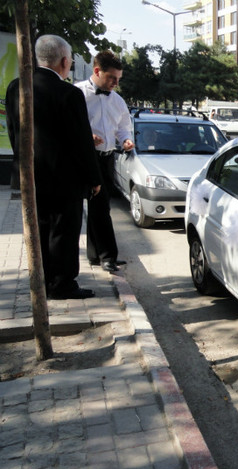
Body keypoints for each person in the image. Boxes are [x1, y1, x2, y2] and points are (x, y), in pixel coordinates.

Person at [5, 35, 102, 299]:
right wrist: (94, 177)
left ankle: (41, 280)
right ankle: (62, 284)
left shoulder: (16, 87)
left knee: (38, 229)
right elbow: (81, 141)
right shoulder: (69, 93)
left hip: (29, 175)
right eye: (69, 60)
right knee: (63, 232)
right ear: (63, 61)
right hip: (64, 179)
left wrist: (21, 165)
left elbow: (14, 132)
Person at [76, 50, 133, 273]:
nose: (116, 84)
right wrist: (86, 137)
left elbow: (123, 126)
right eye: (112, 78)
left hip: (107, 158)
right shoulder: (77, 94)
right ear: (97, 71)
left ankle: (98, 255)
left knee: (101, 206)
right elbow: (69, 125)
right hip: (84, 158)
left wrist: (126, 140)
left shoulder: (117, 100)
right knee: (96, 207)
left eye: (118, 79)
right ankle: (106, 255)